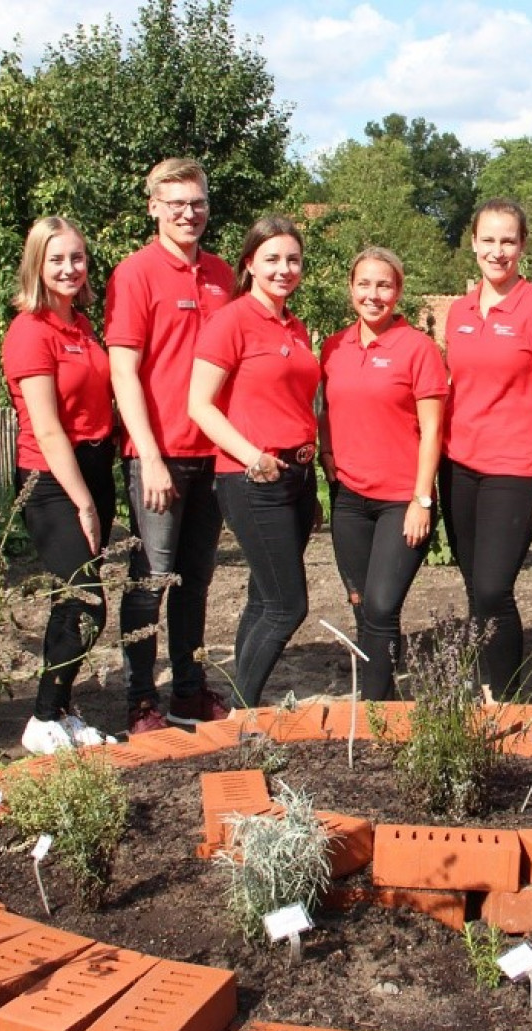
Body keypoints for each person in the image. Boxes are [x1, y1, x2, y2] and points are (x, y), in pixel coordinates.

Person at [104, 158, 235, 734]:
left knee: (196, 580)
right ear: (153, 206)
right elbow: (124, 372)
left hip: (213, 456)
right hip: (159, 456)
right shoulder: (134, 274)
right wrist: (149, 455)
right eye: (176, 202)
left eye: (198, 201)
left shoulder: (223, 275)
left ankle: (187, 690)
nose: (188, 212)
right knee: (151, 578)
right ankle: (139, 698)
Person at [442, 199, 532, 696]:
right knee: (475, 588)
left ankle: (507, 702)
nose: (497, 251)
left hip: (516, 471)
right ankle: (484, 693)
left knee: (496, 589)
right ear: (473, 243)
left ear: (522, 245)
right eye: (488, 240)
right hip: (459, 467)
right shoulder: (458, 310)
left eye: (508, 241)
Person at [188, 216, 320, 709]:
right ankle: (243, 714)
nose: (284, 268)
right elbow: (199, 404)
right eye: (272, 259)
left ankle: (234, 711)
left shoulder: (295, 325)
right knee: (289, 606)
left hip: (297, 477)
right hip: (253, 477)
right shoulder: (232, 320)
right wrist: (252, 457)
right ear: (249, 264)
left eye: (292, 259)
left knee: (264, 598)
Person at [2, 218, 116, 754]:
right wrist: (83, 502)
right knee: (85, 602)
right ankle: (42, 718)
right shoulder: (30, 330)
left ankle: (63, 713)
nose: (69, 269)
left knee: (74, 599)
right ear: (36, 266)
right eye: (56, 260)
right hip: (52, 479)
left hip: (94, 469)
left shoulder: (83, 326)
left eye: (77, 257)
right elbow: (47, 428)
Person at [319, 248, 447, 699]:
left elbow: (433, 428)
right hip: (350, 498)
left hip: (401, 500)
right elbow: (327, 406)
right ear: (351, 288)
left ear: (398, 291)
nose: (373, 295)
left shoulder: (418, 349)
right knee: (362, 606)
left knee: (381, 605)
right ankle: (385, 698)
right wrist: (328, 451)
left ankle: (374, 711)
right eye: (365, 285)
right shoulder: (334, 346)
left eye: (384, 286)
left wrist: (422, 499)